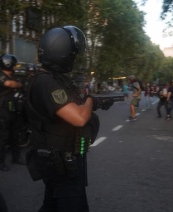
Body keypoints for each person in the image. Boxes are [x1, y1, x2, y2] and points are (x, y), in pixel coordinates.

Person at [25, 26, 112, 212]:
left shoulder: (53, 79)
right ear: (62, 54)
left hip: (64, 159)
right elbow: (79, 117)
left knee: (51, 206)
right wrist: (90, 101)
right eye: (73, 54)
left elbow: (74, 105)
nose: (74, 58)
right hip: (61, 164)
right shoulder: (45, 83)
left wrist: (96, 103)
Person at [0, 54, 25, 171]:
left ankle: (16, 158)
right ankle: (0, 162)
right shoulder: (0, 76)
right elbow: (9, 84)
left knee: (15, 136)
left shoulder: (13, 76)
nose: (15, 67)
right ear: (9, 64)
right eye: (14, 64)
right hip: (2, 111)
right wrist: (20, 84)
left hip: (12, 111)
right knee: (3, 138)